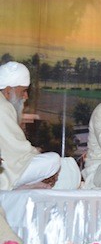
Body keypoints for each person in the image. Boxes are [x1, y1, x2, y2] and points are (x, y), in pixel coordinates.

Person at [0, 61, 81, 190]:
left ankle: (31, 185)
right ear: (9, 90)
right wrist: (38, 156)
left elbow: (15, 148)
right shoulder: (3, 107)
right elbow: (18, 149)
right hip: (4, 173)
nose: (26, 96)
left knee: (63, 164)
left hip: (9, 167)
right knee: (54, 161)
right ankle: (25, 186)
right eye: (23, 91)